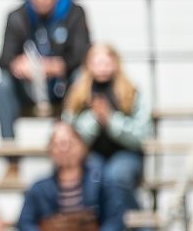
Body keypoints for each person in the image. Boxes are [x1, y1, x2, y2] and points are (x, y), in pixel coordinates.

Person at [0, 0, 91, 165]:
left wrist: (52, 66)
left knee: (81, 80)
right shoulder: (17, 16)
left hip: (63, 86)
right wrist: (18, 65)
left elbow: (82, 56)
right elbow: (4, 58)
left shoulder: (75, 13)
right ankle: (11, 161)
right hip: (29, 86)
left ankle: (75, 156)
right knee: (2, 87)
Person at [18, 120, 128, 231]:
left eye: (69, 142)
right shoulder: (38, 188)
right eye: (58, 143)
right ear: (51, 150)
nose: (64, 148)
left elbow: (115, 220)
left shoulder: (102, 181)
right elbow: (25, 225)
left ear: (81, 146)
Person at [64, 43, 151, 200]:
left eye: (106, 62)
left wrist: (111, 121)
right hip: (91, 155)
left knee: (117, 176)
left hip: (126, 153)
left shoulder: (131, 91)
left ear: (115, 63)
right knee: (93, 176)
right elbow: (70, 133)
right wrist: (95, 119)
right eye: (97, 62)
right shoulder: (77, 94)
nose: (102, 68)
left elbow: (142, 135)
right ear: (88, 64)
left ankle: (137, 222)